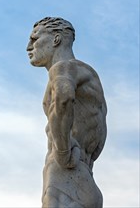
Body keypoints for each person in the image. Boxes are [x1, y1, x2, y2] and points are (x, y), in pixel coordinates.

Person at [27, 17, 107, 208]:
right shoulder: (86, 74)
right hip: (83, 176)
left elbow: (63, 98)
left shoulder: (64, 68)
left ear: (56, 40)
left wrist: (62, 151)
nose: (29, 47)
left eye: (35, 39)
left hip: (64, 176)